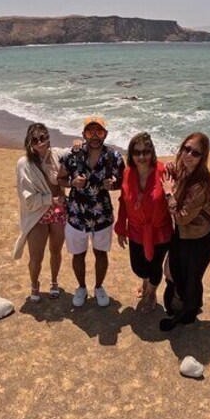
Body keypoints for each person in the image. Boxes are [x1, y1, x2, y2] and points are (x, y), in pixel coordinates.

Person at [58, 116, 125, 307]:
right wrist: (72, 183)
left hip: (102, 215)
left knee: (100, 253)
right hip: (76, 215)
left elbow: (124, 182)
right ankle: (81, 287)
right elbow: (59, 178)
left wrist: (113, 185)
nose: (94, 136)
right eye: (90, 131)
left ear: (106, 134)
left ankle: (98, 287)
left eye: (99, 131)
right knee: (78, 254)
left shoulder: (114, 157)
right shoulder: (73, 155)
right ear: (83, 134)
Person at [159, 132, 210, 331]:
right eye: (186, 149)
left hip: (199, 239)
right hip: (183, 235)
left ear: (203, 157)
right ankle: (186, 306)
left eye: (195, 153)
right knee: (176, 272)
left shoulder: (202, 184)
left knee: (191, 278)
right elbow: (178, 174)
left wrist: (169, 192)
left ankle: (188, 314)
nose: (188, 155)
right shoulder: (185, 170)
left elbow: (181, 216)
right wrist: (172, 170)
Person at [115, 132, 173, 313]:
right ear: (131, 155)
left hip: (160, 231)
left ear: (152, 152)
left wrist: (177, 170)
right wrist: (120, 228)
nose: (142, 157)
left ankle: (151, 294)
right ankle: (145, 280)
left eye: (146, 152)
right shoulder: (127, 173)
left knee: (155, 268)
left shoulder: (163, 171)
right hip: (135, 230)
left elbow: (179, 190)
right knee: (139, 268)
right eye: (137, 152)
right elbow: (123, 201)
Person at [13, 123, 70, 302]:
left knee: (56, 250)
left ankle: (54, 282)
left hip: (59, 211)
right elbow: (27, 199)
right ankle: (35, 284)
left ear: (48, 137)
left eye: (43, 138)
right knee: (36, 256)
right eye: (35, 139)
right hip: (38, 213)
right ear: (29, 141)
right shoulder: (24, 164)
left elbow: (75, 153)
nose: (40, 143)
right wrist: (50, 200)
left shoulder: (57, 155)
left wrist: (78, 144)